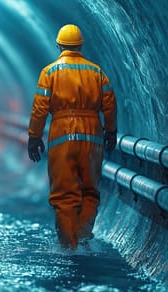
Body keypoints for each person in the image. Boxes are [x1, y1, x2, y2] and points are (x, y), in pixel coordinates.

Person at [27, 24, 117, 250]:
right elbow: (109, 104)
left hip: (62, 134)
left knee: (64, 194)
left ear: (58, 45)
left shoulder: (49, 73)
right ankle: (84, 233)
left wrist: (34, 136)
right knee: (90, 189)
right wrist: (111, 131)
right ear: (80, 46)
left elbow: (39, 108)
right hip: (92, 134)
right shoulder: (97, 72)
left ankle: (68, 246)